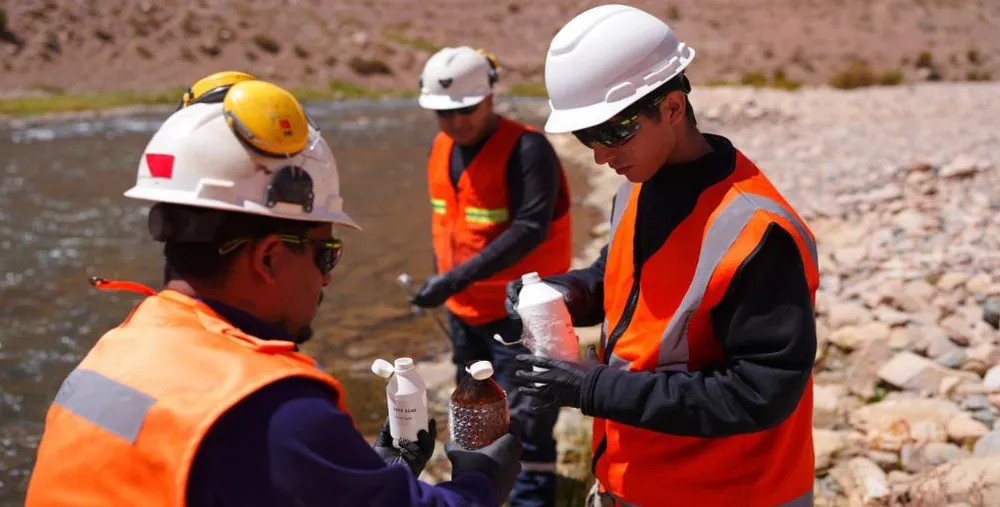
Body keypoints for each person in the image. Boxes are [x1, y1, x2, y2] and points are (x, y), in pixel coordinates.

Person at [25, 75, 522, 507]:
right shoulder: (272, 406)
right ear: (267, 258)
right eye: (325, 253)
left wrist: (370, 472)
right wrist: (480, 481)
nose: (327, 277)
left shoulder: (121, 346)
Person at [505, 5, 820, 507]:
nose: (600, 155)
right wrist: (567, 292)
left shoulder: (758, 233)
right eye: (587, 136)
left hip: (731, 494)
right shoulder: (638, 186)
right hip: (636, 478)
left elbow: (761, 391)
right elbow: (622, 275)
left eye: (614, 132)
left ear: (672, 108)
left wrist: (595, 390)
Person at [411, 46, 573, 507]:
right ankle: (480, 494)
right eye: (444, 113)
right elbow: (450, 224)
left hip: (520, 317)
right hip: (464, 313)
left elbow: (530, 227)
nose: (456, 122)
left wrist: (452, 278)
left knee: (526, 419)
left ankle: (532, 500)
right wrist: (445, 284)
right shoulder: (441, 149)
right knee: (474, 412)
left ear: (490, 97)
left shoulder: (527, 149)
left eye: (465, 109)